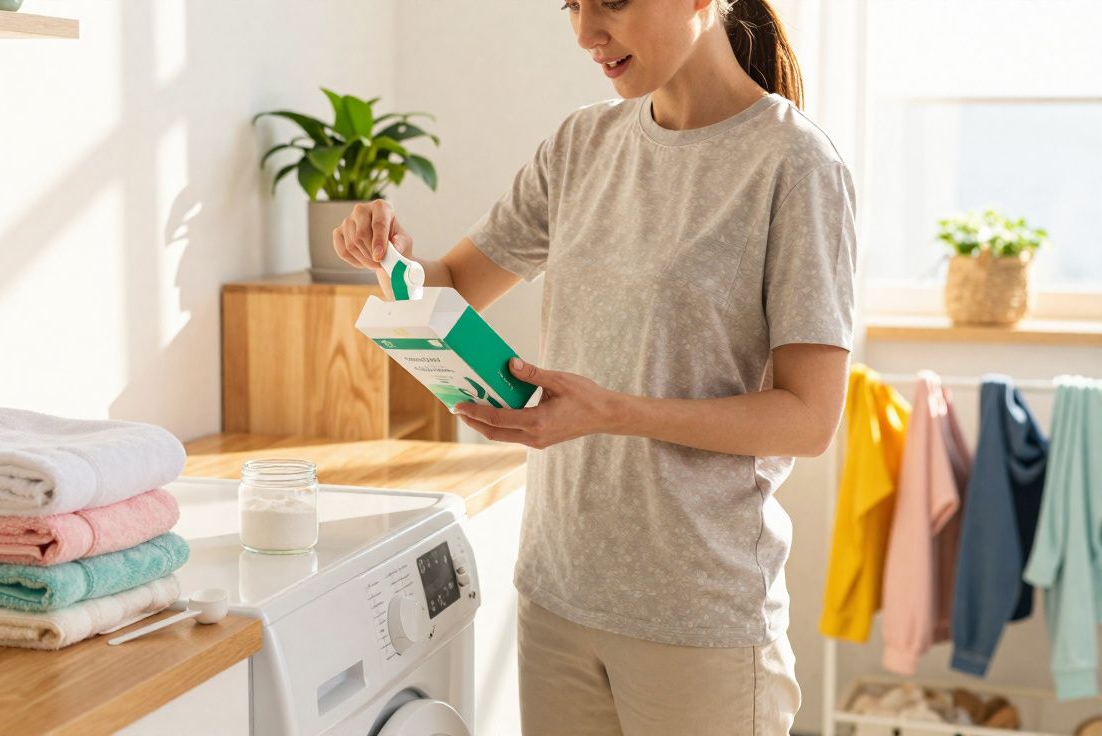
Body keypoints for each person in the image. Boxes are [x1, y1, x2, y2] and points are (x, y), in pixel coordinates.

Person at [333, 0, 855, 733]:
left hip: (697, 619)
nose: (586, 32)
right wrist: (387, 255)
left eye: (611, 1)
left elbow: (808, 419)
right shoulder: (581, 144)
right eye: (572, 5)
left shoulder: (793, 163)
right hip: (557, 596)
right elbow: (452, 279)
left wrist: (617, 411)